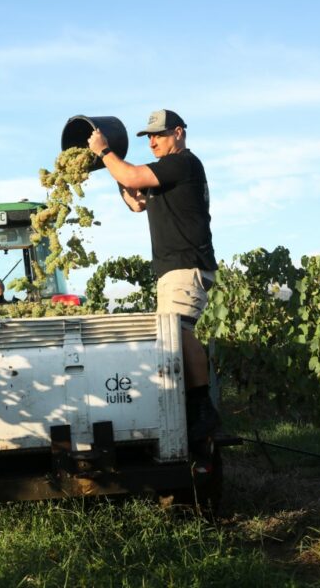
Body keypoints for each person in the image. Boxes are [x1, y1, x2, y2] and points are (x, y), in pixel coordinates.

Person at [88, 109, 220, 445]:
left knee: (178, 330)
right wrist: (116, 172)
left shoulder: (183, 163)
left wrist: (105, 152)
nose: (152, 142)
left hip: (185, 266)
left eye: (158, 135)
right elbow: (136, 201)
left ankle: (202, 408)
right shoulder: (167, 173)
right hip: (173, 269)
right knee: (174, 333)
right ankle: (192, 408)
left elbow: (133, 177)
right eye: (148, 137)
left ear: (178, 133)